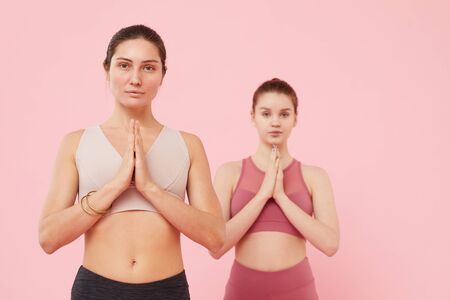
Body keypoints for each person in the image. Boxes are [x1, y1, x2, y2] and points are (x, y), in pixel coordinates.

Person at [38, 24, 225, 300]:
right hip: (96, 289)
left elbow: (216, 238)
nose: (135, 78)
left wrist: (150, 188)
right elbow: (49, 238)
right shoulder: (76, 143)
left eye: (148, 68)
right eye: (124, 65)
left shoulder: (188, 145)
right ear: (107, 70)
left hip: (167, 290)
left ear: (163, 75)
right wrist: (114, 187)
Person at [211, 78, 339, 299]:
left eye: (284, 114)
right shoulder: (228, 173)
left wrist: (281, 196)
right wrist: (262, 195)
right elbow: (216, 247)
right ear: (253, 117)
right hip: (243, 291)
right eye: (266, 113)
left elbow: (330, 245)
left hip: (298, 290)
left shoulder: (315, 176)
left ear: (295, 118)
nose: (275, 122)